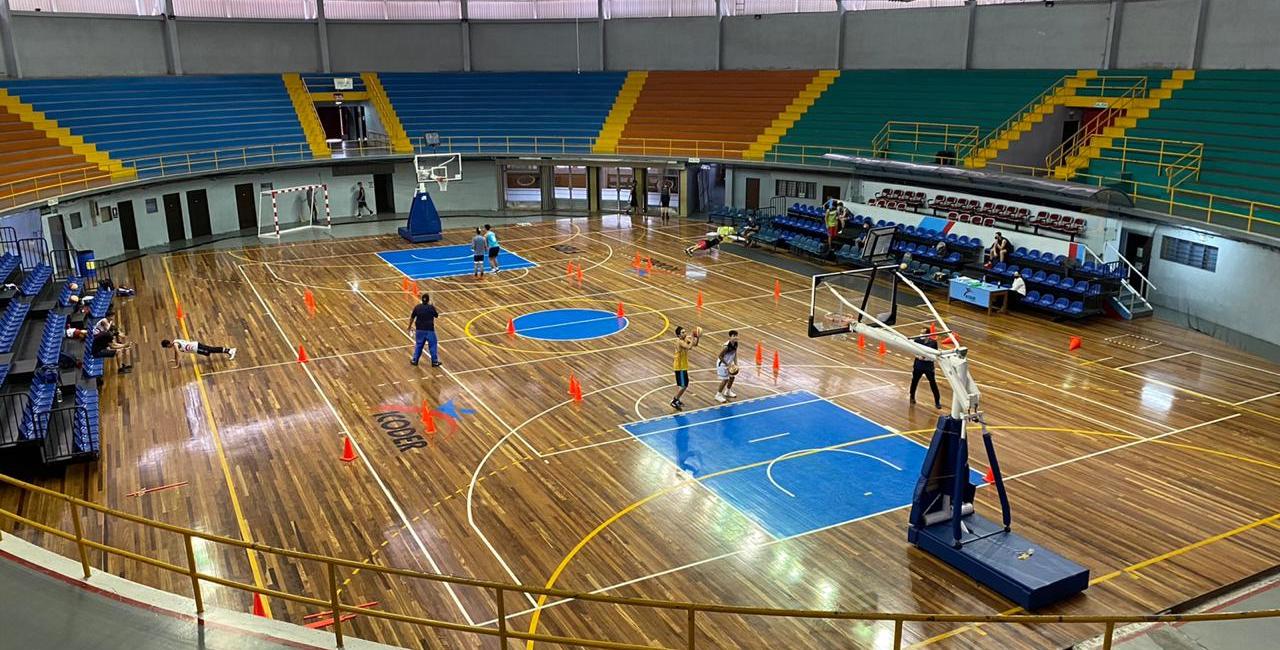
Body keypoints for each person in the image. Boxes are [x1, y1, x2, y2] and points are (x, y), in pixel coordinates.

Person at [909, 327, 942, 410]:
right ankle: (912, 396)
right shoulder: (917, 340)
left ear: (928, 334)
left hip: (928, 366)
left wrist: (926, 358)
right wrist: (918, 356)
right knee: (914, 381)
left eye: (923, 333)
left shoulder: (933, 343)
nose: (921, 335)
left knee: (933, 383)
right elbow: (913, 350)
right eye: (921, 333)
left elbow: (935, 355)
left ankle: (937, 401)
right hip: (918, 365)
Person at [670, 326, 701, 410]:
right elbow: (689, 347)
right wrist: (693, 336)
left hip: (683, 366)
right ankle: (674, 400)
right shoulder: (679, 342)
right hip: (679, 367)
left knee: (683, 385)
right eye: (683, 332)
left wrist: (697, 338)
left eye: (685, 332)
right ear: (678, 335)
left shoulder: (686, 338)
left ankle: (677, 400)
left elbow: (695, 344)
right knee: (684, 385)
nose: (685, 333)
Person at [407, 293, 441, 367]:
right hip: (429, 330)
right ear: (428, 300)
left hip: (419, 330)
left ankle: (415, 360)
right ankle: (434, 362)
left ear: (421, 300)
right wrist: (433, 306)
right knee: (433, 345)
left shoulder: (417, 307)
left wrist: (409, 326)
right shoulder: (431, 307)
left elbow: (412, 317)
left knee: (419, 345)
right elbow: (436, 315)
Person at [161, 338, 236, 366]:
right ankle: (229, 351)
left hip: (196, 347)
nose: (167, 348)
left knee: (211, 350)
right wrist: (175, 359)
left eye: (166, 347)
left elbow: (178, 353)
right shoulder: (175, 341)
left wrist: (178, 364)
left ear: (168, 345)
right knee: (209, 352)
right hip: (195, 347)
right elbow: (176, 353)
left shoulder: (175, 344)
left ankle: (230, 350)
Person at [714, 330, 740, 403]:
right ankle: (718, 395)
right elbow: (720, 356)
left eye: (736, 335)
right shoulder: (726, 346)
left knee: (732, 377)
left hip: (729, 364)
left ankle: (728, 391)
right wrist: (727, 365)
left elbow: (735, 354)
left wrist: (736, 364)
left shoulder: (736, 344)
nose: (735, 337)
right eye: (734, 336)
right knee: (725, 379)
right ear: (730, 337)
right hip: (722, 364)